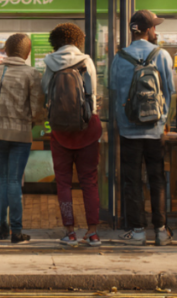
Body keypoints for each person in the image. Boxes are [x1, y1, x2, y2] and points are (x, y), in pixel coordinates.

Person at [110, 10, 175, 246]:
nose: (156, 31)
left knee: (131, 180)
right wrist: (163, 121)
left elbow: (115, 94)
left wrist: (121, 122)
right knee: (157, 179)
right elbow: (169, 92)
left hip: (128, 130)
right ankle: (160, 230)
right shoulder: (163, 55)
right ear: (147, 30)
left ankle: (137, 231)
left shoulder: (120, 57)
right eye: (154, 27)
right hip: (155, 130)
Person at [42, 23, 102, 247]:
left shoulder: (49, 62)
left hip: (60, 130)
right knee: (89, 181)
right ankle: (93, 232)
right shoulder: (86, 61)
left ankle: (69, 232)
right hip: (87, 128)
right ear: (78, 39)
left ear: (54, 41)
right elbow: (92, 93)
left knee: (64, 183)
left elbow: (45, 90)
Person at [0, 33, 44, 244]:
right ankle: (17, 231)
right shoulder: (32, 74)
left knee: (2, 179)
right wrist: (37, 122)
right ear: (27, 53)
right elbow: (37, 109)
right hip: (21, 134)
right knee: (14, 181)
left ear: (6, 50)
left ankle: (2, 227)